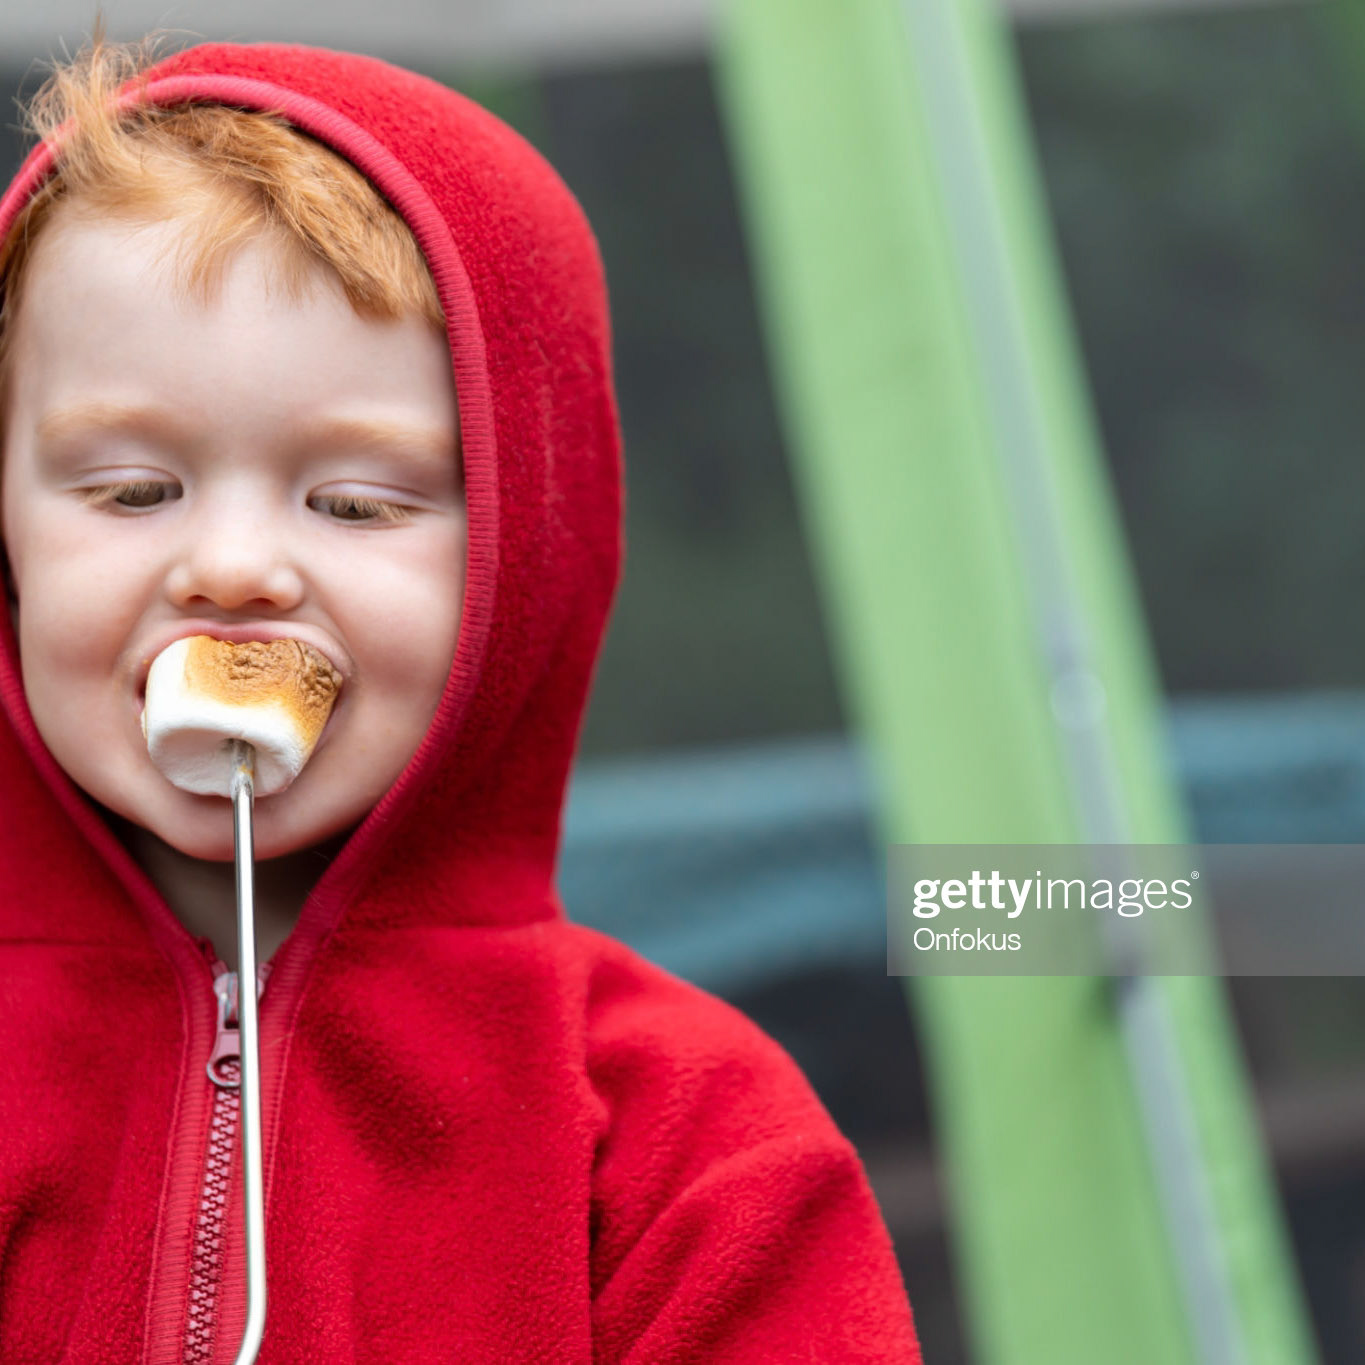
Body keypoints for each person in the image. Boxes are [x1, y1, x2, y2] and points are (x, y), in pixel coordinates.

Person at [0, 31, 924, 1363]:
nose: (235, 568)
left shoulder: (683, 1131)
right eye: (134, 491)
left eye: (356, 501)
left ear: (525, 555)